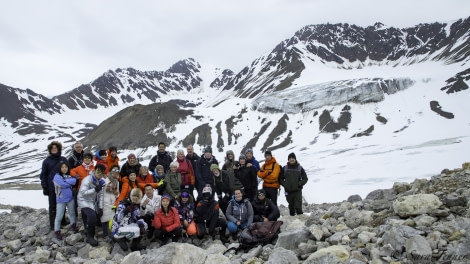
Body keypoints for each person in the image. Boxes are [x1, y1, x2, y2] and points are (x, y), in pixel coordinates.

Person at [40, 141, 69, 231]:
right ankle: (53, 224)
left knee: (63, 204)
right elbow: (43, 175)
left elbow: (68, 171)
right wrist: (45, 188)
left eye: (55, 148)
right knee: (53, 206)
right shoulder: (46, 161)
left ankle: (63, 221)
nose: (54, 149)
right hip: (52, 187)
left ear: (58, 149)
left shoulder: (63, 159)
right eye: (52, 148)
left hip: (62, 186)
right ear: (50, 150)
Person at [77, 164, 106, 246]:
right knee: (92, 216)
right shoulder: (87, 179)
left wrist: (100, 207)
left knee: (96, 215)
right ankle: (90, 237)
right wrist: (94, 189)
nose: (99, 173)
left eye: (101, 172)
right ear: (95, 170)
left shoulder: (102, 182)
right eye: (98, 171)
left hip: (92, 201)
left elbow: (101, 195)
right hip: (83, 199)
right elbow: (83, 193)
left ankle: (87, 228)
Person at [53, 161, 78, 240]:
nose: (64, 169)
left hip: (70, 198)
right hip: (61, 199)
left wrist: (67, 181)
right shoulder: (56, 176)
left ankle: (73, 225)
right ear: (60, 168)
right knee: (59, 216)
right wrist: (69, 182)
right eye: (62, 167)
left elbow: (74, 181)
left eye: (66, 167)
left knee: (72, 213)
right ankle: (57, 231)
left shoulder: (69, 176)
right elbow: (61, 184)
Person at [70, 152, 95, 216]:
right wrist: (75, 175)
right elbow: (71, 171)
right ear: (83, 159)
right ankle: (85, 220)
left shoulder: (94, 168)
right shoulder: (79, 167)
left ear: (91, 160)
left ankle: (91, 217)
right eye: (85, 158)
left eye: (89, 158)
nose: (87, 159)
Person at [101, 164, 120, 242]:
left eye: (117, 171)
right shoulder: (104, 179)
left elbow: (118, 193)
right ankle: (105, 235)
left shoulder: (117, 182)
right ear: (110, 171)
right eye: (114, 170)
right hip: (104, 201)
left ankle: (112, 234)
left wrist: (116, 193)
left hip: (112, 202)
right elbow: (100, 189)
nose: (115, 172)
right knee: (105, 218)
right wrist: (107, 188)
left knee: (112, 219)